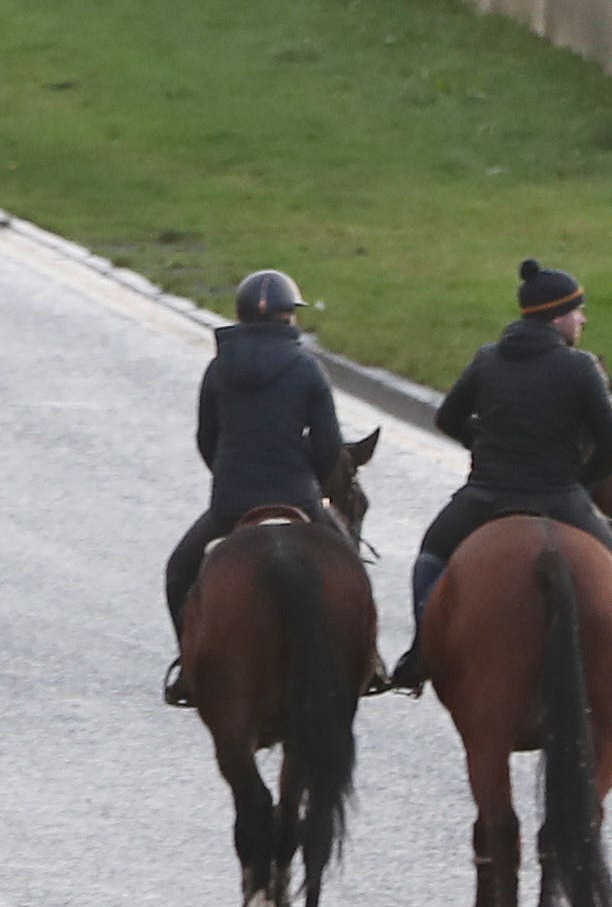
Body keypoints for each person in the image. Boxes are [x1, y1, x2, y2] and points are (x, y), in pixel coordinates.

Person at [386, 259, 612, 692]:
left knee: (430, 558)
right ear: (558, 315)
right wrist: (582, 483)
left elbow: (448, 417)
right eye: (578, 310)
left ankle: (421, 654)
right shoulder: (581, 368)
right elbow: (610, 441)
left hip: (485, 496)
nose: (583, 318)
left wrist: (484, 446)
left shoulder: (488, 359)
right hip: (560, 497)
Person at [159, 269, 347, 706]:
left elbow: (207, 439)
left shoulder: (218, 368)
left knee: (179, 572)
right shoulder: (307, 368)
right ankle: (368, 659)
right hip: (299, 498)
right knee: (349, 566)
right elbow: (329, 448)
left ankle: (189, 667)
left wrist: (230, 475)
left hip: (232, 503)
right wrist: (314, 485)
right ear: (288, 318)